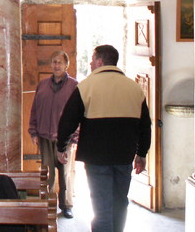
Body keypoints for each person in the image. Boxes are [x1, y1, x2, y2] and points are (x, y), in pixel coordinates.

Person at [57, 44, 151, 232]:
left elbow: (68, 120)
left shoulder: (86, 86)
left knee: (101, 205)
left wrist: (61, 147)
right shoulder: (134, 88)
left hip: (96, 157)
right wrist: (141, 153)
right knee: (120, 202)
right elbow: (145, 125)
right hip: (124, 156)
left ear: (100, 61)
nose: (90, 63)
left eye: (92, 59)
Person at [28, 50, 78, 219]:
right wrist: (33, 131)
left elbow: (79, 113)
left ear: (66, 65)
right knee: (47, 173)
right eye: (54, 62)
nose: (56, 65)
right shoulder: (42, 85)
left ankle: (66, 205)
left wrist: (75, 136)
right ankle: (46, 204)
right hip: (44, 136)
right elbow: (34, 110)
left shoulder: (74, 86)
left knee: (65, 174)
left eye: (60, 62)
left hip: (65, 139)